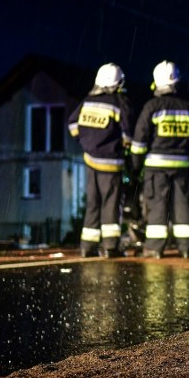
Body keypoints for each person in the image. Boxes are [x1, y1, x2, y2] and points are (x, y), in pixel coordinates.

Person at [130, 61, 189, 259]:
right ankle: (186, 247)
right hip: (182, 166)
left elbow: (139, 140)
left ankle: (154, 248)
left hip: (156, 167)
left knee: (157, 204)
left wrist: (136, 166)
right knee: (182, 204)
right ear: (177, 82)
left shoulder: (152, 107)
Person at [67, 63, 134, 258]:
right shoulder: (119, 103)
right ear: (118, 83)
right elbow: (128, 135)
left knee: (93, 203)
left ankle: (87, 247)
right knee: (111, 204)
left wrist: (87, 142)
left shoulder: (87, 102)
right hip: (111, 164)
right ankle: (111, 246)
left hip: (90, 161)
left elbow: (72, 125)